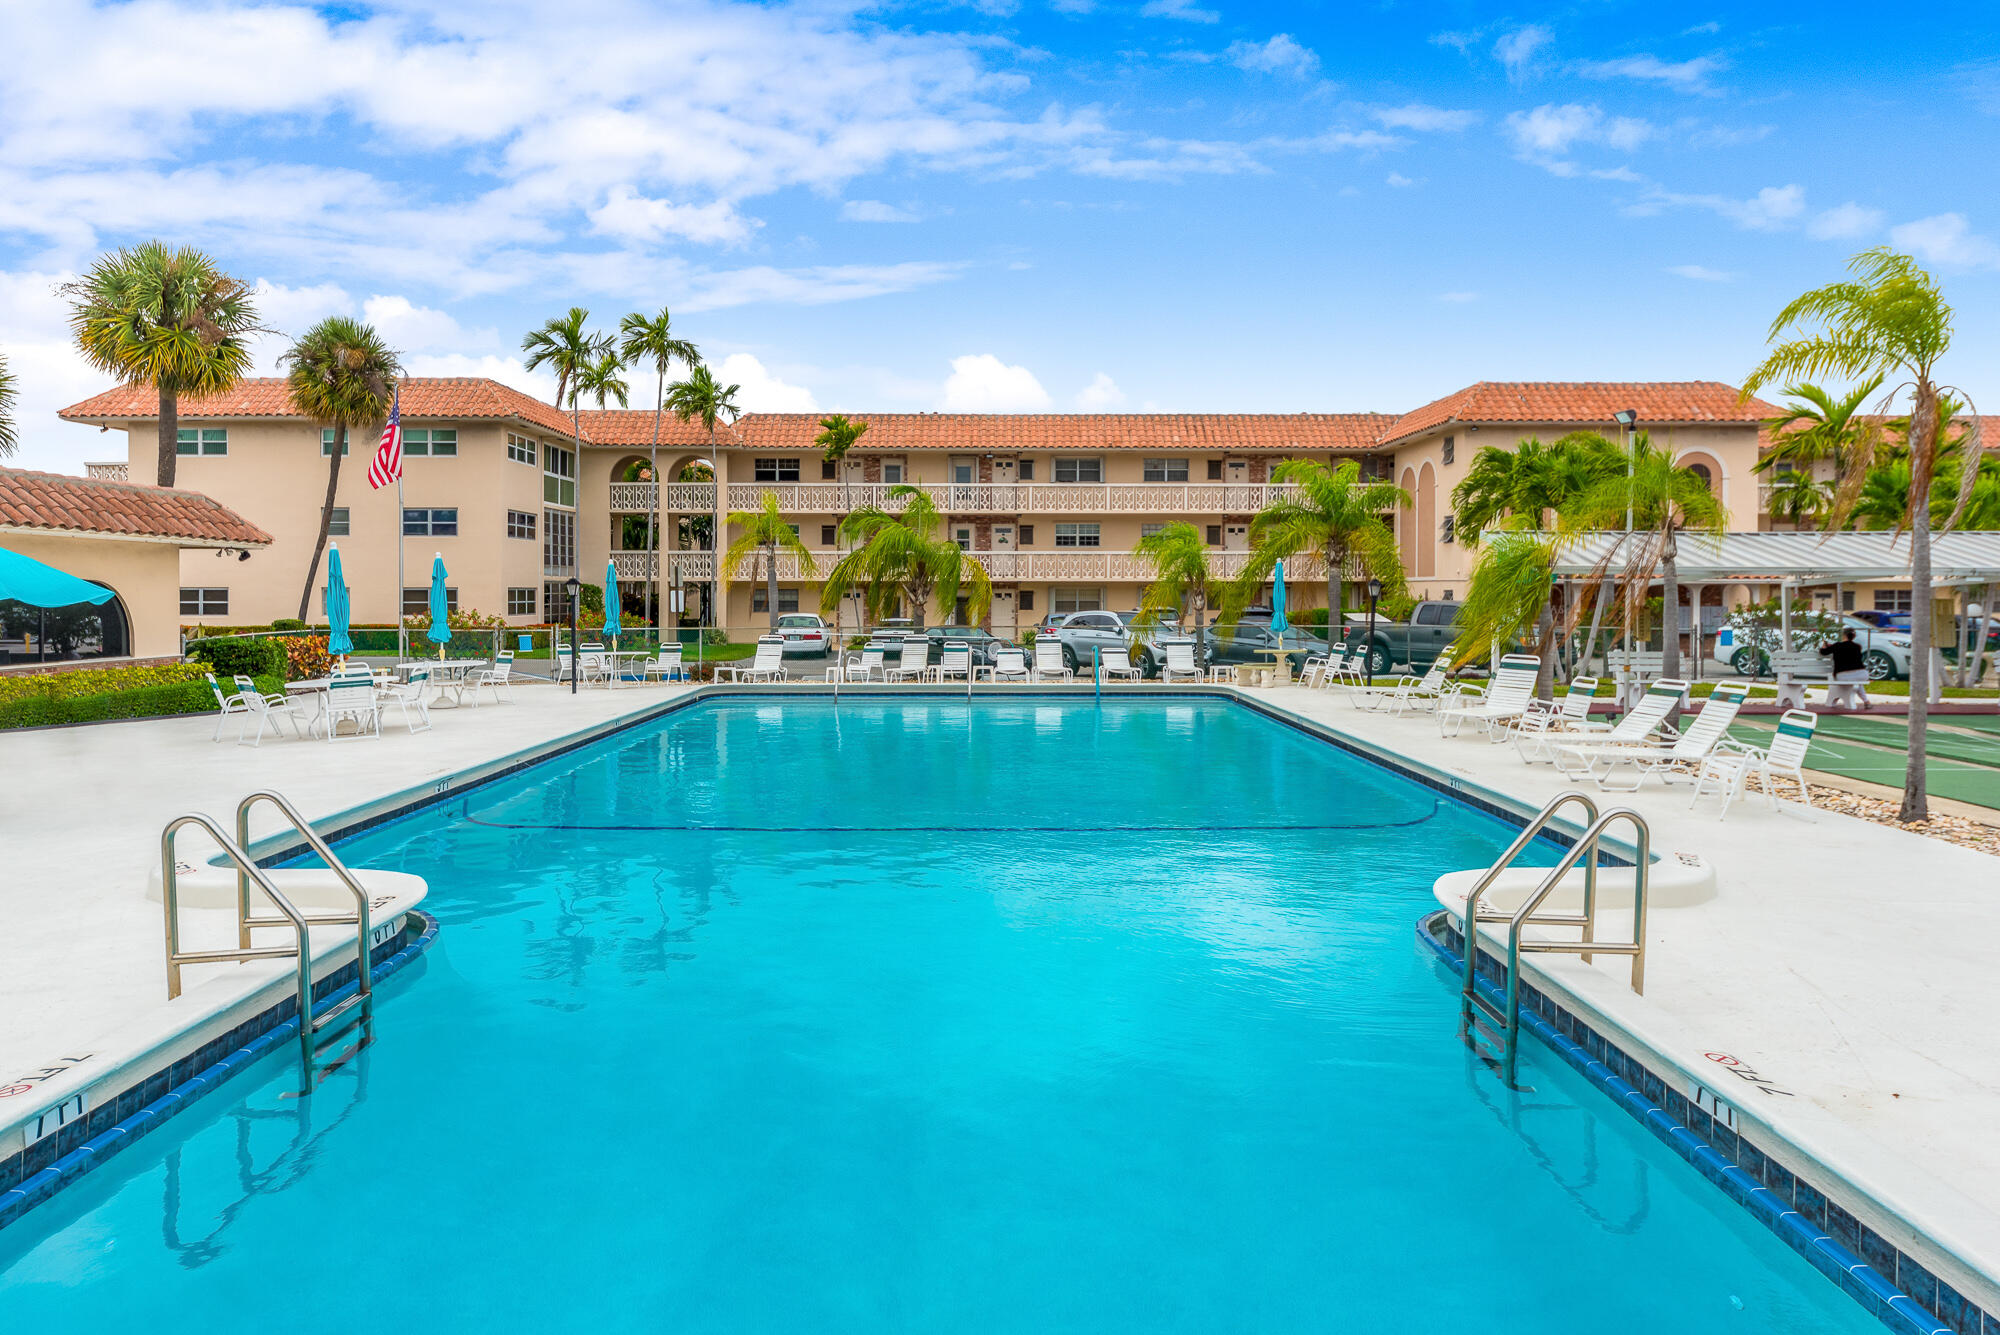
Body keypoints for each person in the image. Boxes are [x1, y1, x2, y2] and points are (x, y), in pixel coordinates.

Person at [1818, 628, 1870, 709]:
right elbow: (1847, 649)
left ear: (1844, 635)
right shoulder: (1857, 646)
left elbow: (1823, 652)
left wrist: (1824, 646)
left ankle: (1866, 701)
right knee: (1857, 683)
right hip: (1862, 674)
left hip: (1843, 676)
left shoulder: (1837, 646)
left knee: (1856, 682)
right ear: (1853, 636)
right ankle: (1866, 701)